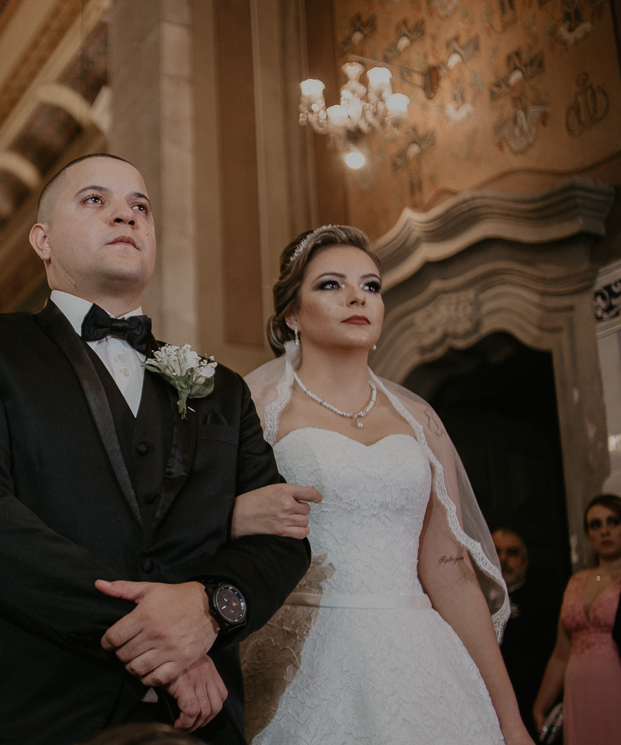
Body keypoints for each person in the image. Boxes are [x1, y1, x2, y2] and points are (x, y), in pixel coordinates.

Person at [0, 153, 311, 744]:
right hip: (32, 708)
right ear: (42, 239)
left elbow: (280, 538)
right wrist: (158, 636)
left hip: (194, 724)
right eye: (96, 200)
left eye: (140, 206)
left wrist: (207, 611)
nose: (126, 215)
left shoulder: (217, 385)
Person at [236, 225, 532, 744]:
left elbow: (451, 572)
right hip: (302, 652)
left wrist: (511, 722)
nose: (357, 297)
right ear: (291, 313)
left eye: (370, 286)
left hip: (420, 655)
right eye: (331, 285)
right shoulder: (257, 410)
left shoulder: (419, 419)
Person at [532, 494, 621, 743]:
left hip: (614, 682)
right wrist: (541, 704)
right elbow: (561, 654)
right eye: (595, 524)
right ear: (587, 534)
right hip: (578, 690)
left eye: (613, 521)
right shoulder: (576, 581)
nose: (605, 531)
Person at [492, 529, 560, 740]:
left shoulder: (548, 604)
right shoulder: (472, 604)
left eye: (511, 552)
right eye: (496, 552)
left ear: (525, 561)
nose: (503, 559)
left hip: (534, 703)